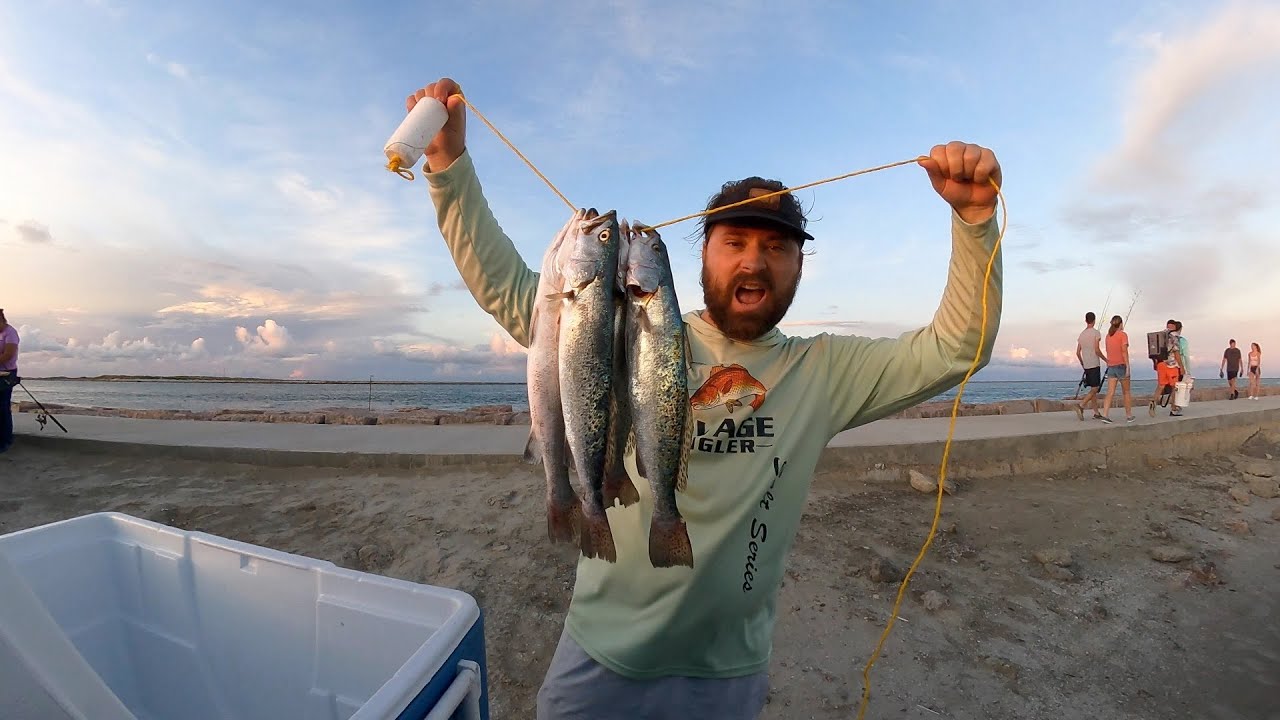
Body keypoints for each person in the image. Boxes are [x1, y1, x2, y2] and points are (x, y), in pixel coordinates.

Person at [408, 77, 1004, 719]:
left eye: (777, 248)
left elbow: (956, 346)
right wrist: (447, 164)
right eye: (736, 243)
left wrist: (973, 222)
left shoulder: (824, 371)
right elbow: (506, 285)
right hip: (599, 654)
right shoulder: (626, 330)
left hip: (726, 672)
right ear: (702, 255)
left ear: (801, 266)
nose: (755, 263)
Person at [1098, 315, 1135, 424]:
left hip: (1111, 366)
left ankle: (1105, 414)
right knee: (1126, 392)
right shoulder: (1123, 335)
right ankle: (1129, 415)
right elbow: (1124, 351)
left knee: (1110, 392)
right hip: (1121, 366)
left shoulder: (1108, 336)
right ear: (1120, 324)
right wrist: (1128, 366)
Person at [1073, 311, 1106, 420]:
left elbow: (1077, 352)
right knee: (1095, 388)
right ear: (1094, 320)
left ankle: (1096, 412)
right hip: (1094, 364)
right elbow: (1097, 350)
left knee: (1093, 389)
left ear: (1086, 320)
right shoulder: (1096, 333)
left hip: (1086, 365)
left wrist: (1082, 363)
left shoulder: (1081, 335)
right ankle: (1081, 405)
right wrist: (1106, 359)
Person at [0, 308, 19, 453]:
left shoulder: (10, 333)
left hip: (6, 374)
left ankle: (5, 440)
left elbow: (8, 355)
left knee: (3, 406)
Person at [1152, 352, 1183, 417]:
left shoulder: (1160, 341)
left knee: (1161, 386)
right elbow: (1176, 353)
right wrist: (1181, 367)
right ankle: (1173, 409)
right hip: (1171, 366)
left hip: (1160, 364)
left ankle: (1153, 404)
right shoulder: (1173, 341)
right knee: (1175, 387)